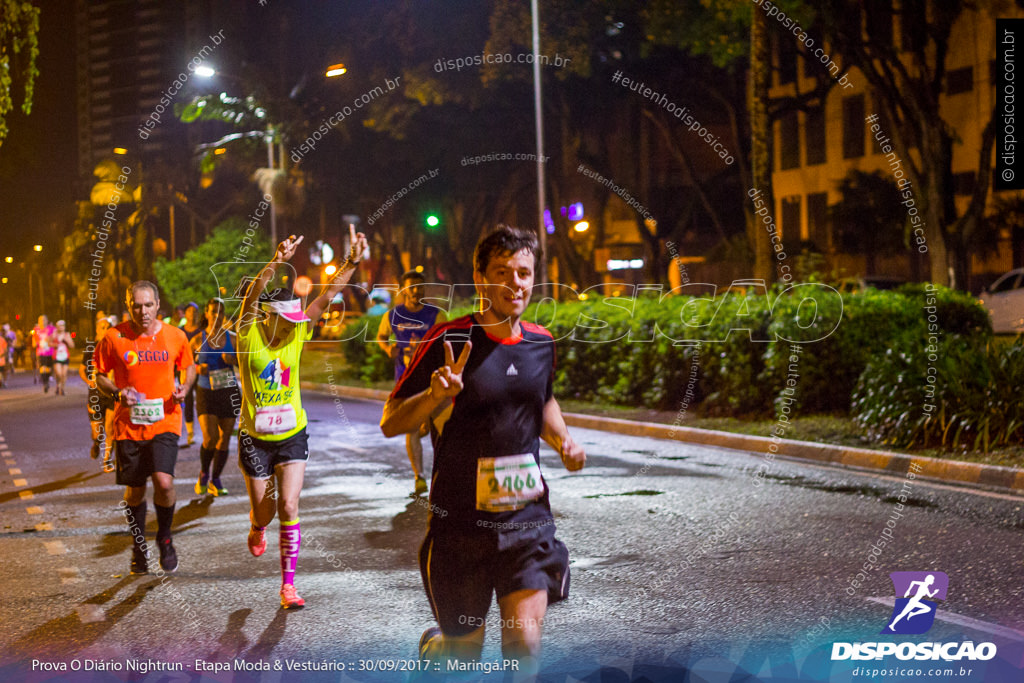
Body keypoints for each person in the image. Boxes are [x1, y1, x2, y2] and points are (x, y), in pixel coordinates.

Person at [380, 225, 586, 675]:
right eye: (503, 272)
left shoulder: (540, 342)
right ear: (480, 277)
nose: (515, 283)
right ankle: (437, 648)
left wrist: (563, 440)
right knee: (463, 660)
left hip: (526, 525)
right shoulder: (448, 340)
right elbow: (392, 421)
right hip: (460, 531)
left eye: (524, 273)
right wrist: (435, 396)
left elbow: (542, 398)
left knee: (524, 650)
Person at [237, 228, 368, 609]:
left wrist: (353, 260)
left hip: (293, 433)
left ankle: (288, 586)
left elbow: (328, 294)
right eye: (285, 319)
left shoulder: (296, 331)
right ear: (267, 317)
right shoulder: (248, 335)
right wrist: (276, 261)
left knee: (289, 507)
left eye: (295, 319)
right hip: (255, 438)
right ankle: (258, 526)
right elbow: (249, 299)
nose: (294, 325)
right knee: (265, 510)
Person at [94, 281, 196, 574]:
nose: (143, 311)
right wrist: (116, 393)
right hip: (129, 426)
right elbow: (99, 374)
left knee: (164, 482)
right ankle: (138, 546)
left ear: (158, 305)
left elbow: (188, 367)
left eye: (148, 305)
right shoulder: (114, 337)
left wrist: (184, 389)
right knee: (135, 492)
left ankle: (165, 537)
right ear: (129, 307)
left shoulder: (175, 336)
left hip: (165, 420)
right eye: (136, 305)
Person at [376, 271, 447, 495]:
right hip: (406, 381)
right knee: (413, 429)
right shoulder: (392, 316)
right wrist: (388, 348)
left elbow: (447, 344)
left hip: (433, 380)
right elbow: (381, 337)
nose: (416, 291)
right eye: (411, 287)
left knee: (440, 428)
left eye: (420, 286)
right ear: (403, 290)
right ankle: (419, 477)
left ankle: (443, 475)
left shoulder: (437, 315)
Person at [192, 298, 240, 497]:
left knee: (225, 439)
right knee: (210, 438)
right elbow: (183, 366)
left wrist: (233, 360)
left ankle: (216, 479)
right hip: (206, 392)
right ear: (207, 313)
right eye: (213, 311)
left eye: (220, 312)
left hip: (228, 391)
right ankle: (204, 473)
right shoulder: (196, 340)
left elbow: (245, 363)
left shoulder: (234, 338)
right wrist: (197, 368)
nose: (217, 316)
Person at [79, 316, 117, 466]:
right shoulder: (91, 349)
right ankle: (96, 443)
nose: (106, 330)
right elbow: (82, 370)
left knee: (110, 428)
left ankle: (107, 459)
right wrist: (89, 382)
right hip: (96, 394)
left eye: (108, 327)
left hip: (112, 393)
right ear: (97, 330)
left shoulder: (116, 347)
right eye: (103, 327)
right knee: (99, 432)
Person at [179, 302, 203, 446]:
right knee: (187, 399)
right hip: (184, 369)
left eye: (195, 311)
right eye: (189, 311)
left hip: (200, 369)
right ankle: (190, 433)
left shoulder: (201, 330)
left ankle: (205, 429)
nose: (192, 314)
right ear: (185, 313)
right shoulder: (180, 331)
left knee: (201, 399)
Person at [32, 315, 56, 392]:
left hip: (50, 352)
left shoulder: (52, 328)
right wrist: (36, 343)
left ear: (47, 320)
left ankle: (47, 380)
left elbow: (56, 337)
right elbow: (34, 342)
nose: (42, 321)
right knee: (42, 368)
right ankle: (45, 384)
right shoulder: (36, 330)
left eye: (44, 320)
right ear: (38, 322)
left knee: (48, 369)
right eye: (41, 320)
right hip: (40, 352)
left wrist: (49, 340)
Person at [52, 320, 75, 395]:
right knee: (59, 374)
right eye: (59, 326)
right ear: (57, 327)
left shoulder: (67, 335)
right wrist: (54, 345)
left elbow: (72, 346)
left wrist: (67, 340)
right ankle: (58, 384)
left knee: (64, 374)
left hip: (65, 357)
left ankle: (62, 388)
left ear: (64, 327)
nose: (61, 327)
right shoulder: (54, 335)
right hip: (57, 356)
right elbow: (48, 343)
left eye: (62, 326)